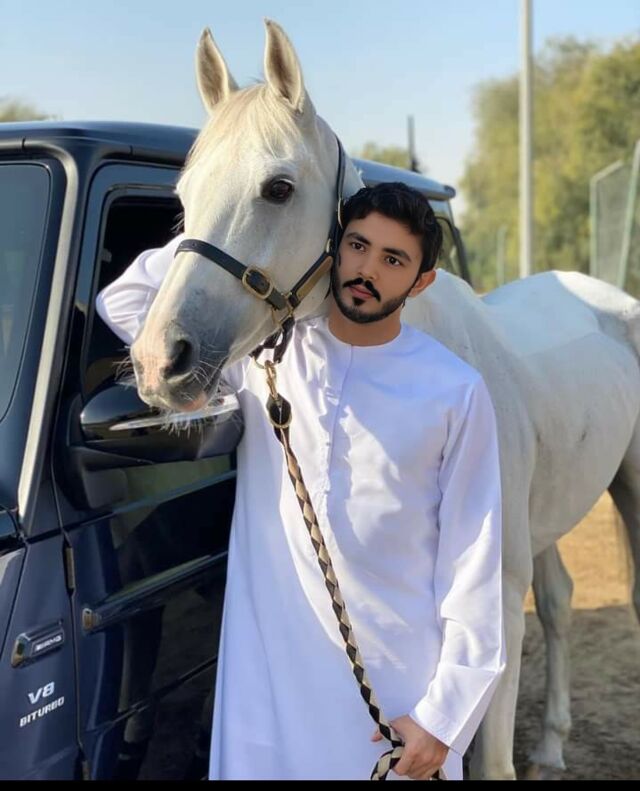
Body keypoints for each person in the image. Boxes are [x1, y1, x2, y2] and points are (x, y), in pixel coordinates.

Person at [96, 182, 505, 781]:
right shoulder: (265, 358)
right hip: (266, 701)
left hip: (394, 702)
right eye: (357, 246)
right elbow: (124, 303)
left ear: (421, 283)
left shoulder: (455, 391)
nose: (367, 270)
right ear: (333, 248)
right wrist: (221, 224)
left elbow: (474, 561)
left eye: (393, 260)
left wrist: (444, 719)